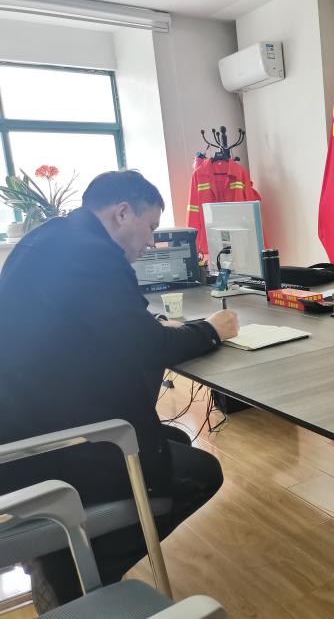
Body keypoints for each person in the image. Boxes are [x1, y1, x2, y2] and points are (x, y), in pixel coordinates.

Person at [0, 170, 239, 610]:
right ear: (122, 212)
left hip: (24, 424)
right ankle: (74, 574)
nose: (150, 242)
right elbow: (146, 349)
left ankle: (63, 559)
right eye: (150, 228)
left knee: (175, 436)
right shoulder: (92, 254)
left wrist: (155, 326)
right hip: (50, 449)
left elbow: (97, 320)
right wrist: (210, 330)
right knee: (202, 474)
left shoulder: (52, 237)